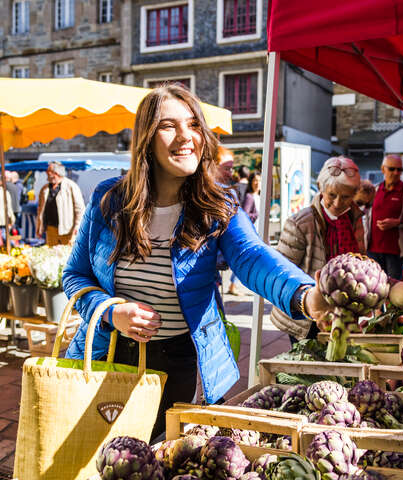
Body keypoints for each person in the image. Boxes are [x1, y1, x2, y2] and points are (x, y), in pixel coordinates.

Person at [62, 85, 329, 439]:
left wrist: (305, 295)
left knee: (156, 454)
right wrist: (112, 311)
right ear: (146, 138)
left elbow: (252, 257)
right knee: (94, 453)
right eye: (168, 126)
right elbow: (75, 276)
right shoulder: (108, 200)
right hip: (104, 353)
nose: (186, 136)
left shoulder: (218, 207)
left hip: (177, 362)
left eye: (194, 125)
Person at [271, 156, 365, 344]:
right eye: (331, 195)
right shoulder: (300, 223)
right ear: (321, 188)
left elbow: (361, 261)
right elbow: (280, 273)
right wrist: (310, 300)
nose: (338, 203)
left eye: (346, 196)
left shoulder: (357, 219)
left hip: (345, 313)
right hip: (307, 316)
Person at [366, 154, 403, 280]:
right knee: (373, 289)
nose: (396, 172)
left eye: (400, 169)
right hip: (372, 250)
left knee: (394, 290)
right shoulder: (374, 190)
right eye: (392, 169)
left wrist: (398, 223)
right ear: (383, 169)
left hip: (396, 252)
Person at [36, 161, 85, 246]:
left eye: (49, 171)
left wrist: (77, 227)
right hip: (50, 229)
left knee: (66, 256)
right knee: (51, 255)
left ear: (56, 173)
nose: (47, 173)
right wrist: (39, 227)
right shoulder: (45, 189)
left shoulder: (71, 186)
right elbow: (40, 209)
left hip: (67, 230)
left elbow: (80, 209)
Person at [227, 172, 260, 295]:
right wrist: (255, 215)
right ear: (251, 182)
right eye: (255, 181)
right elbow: (244, 215)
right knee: (246, 259)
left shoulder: (260, 196)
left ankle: (237, 285)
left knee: (254, 261)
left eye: (260, 181)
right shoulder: (250, 197)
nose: (257, 183)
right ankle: (232, 285)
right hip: (252, 233)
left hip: (259, 233)